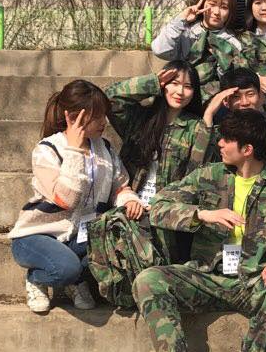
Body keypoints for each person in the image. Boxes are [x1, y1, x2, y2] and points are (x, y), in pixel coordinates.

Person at [132, 109, 266, 352]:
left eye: (227, 139)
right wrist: (202, 215)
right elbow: (158, 207)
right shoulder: (210, 176)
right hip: (205, 276)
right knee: (149, 280)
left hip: (251, 281)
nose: (220, 143)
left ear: (247, 149)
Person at [9, 80, 142, 313]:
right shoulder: (48, 150)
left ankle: (75, 279)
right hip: (37, 237)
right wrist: (74, 149)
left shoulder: (105, 149)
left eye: (104, 115)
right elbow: (66, 199)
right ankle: (37, 278)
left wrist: (129, 199)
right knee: (66, 269)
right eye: (97, 116)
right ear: (73, 117)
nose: (104, 122)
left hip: (79, 237)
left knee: (117, 242)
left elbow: (120, 186)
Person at [86, 61, 206, 307]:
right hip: (129, 200)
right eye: (174, 83)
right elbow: (110, 98)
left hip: (166, 211)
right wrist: (151, 82)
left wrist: (162, 204)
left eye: (188, 86)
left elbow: (194, 177)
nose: (180, 91)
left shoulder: (196, 128)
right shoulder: (140, 119)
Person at [151, 0, 245, 97]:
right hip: (178, 95)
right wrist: (180, 20)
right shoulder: (185, 32)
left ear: (230, 11)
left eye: (224, 7)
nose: (216, 12)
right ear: (202, 3)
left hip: (210, 99)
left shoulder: (232, 43)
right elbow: (159, 50)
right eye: (212, 4)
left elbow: (231, 81)